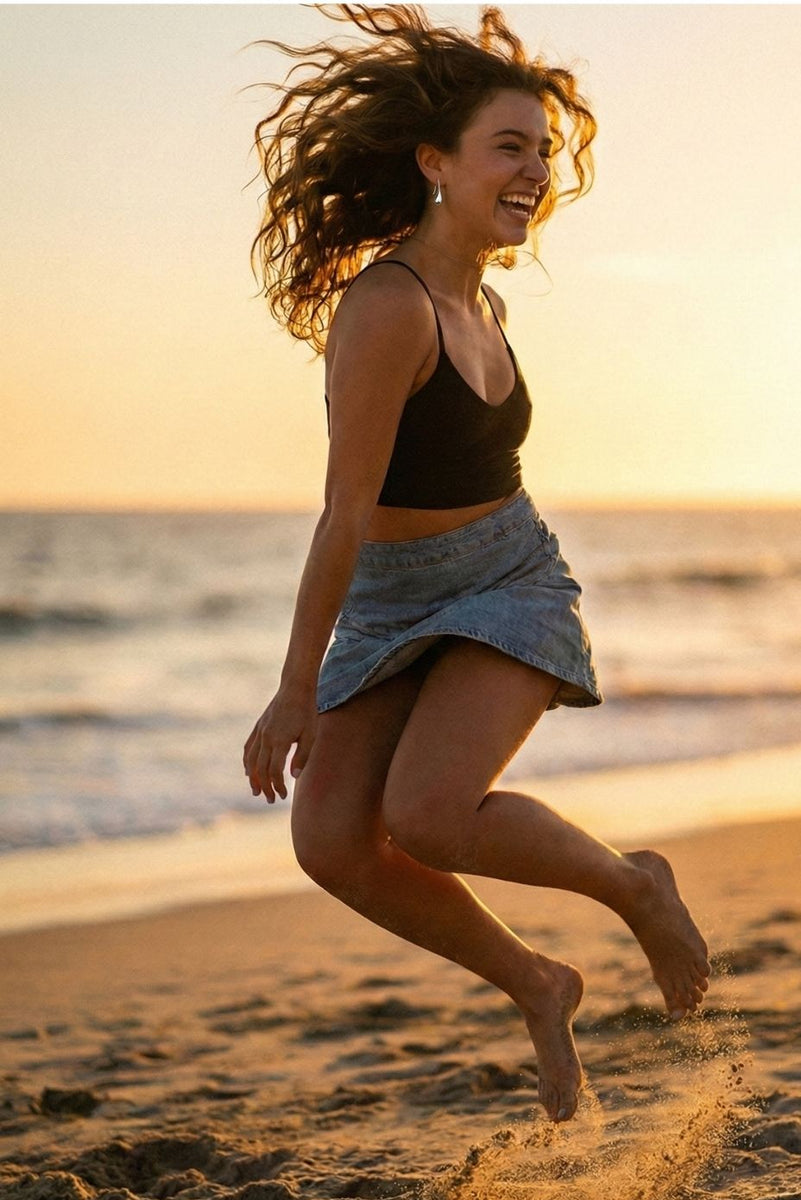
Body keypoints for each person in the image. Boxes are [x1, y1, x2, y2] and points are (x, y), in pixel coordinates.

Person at [243, 4, 710, 1125]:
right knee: (333, 845)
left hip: (507, 578)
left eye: (545, 152)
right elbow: (344, 513)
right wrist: (296, 683)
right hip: (389, 596)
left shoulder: (482, 297)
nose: (537, 171)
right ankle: (541, 984)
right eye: (511, 148)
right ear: (434, 162)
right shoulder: (389, 308)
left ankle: (634, 883)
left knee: (434, 816)